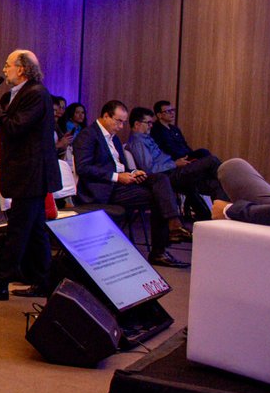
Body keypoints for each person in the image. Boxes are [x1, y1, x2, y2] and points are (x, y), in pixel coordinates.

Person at [0, 50, 64, 300]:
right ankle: (44, 282)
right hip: (26, 172)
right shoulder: (18, 93)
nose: (4, 70)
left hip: (31, 173)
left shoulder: (36, 93)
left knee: (18, 231)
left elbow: (14, 126)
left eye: (8, 65)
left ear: (21, 69)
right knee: (35, 230)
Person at [73, 100, 189, 268]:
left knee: (160, 179)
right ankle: (162, 247)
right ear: (106, 116)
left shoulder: (113, 138)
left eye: (123, 122)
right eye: (118, 121)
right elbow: (83, 168)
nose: (121, 126)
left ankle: (173, 226)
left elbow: (120, 166)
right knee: (160, 197)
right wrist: (117, 177)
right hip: (103, 189)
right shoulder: (88, 135)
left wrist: (133, 172)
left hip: (120, 183)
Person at [125, 106, 222, 219]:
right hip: (166, 177)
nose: (151, 125)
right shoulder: (137, 142)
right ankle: (229, 202)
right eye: (148, 123)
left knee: (214, 184)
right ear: (137, 124)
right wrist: (174, 164)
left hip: (173, 170)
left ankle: (219, 217)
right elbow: (149, 169)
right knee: (212, 161)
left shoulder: (146, 138)